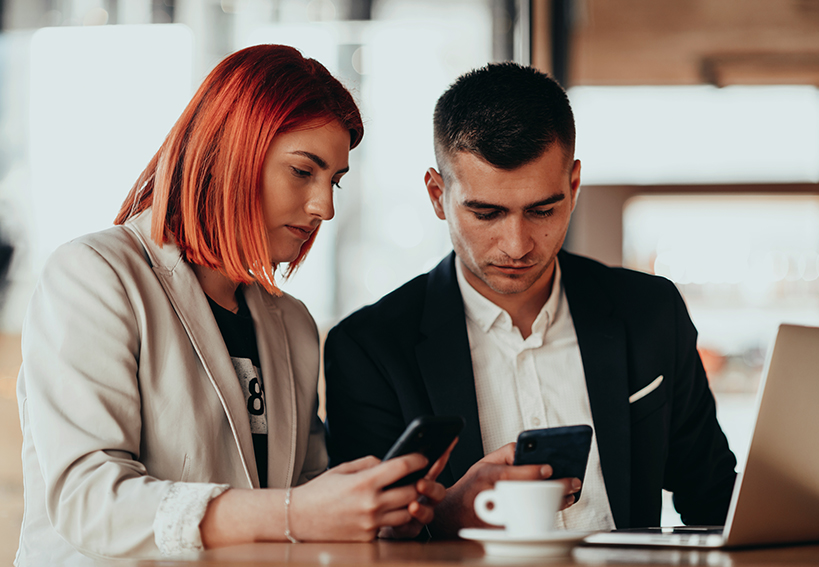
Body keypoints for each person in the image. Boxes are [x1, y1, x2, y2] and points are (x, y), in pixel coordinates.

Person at [15, 45, 449, 566]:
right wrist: (294, 513)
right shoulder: (94, 275)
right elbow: (88, 500)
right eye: (302, 171)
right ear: (230, 152)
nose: (325, 207)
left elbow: (305, 492)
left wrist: (383, 513)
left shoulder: (292, 324)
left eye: (334, 180)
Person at [323, 62, 738, 538]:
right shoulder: (368, 347)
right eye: (486, 213)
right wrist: (448, 514)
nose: (517, 244)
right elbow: (361, 544)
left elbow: (714, 498)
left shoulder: (650, 312)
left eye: (542, 210)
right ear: (438, 196)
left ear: (574, 186)